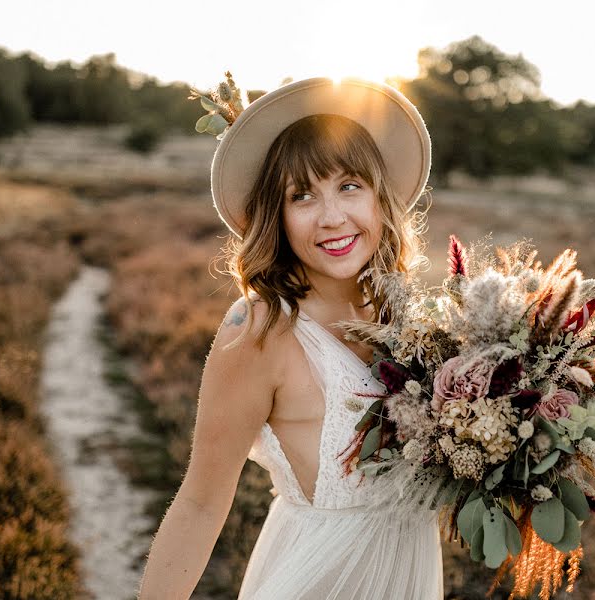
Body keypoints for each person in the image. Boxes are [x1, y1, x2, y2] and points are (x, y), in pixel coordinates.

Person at [137, 77, 443, 599]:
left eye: (350, 186)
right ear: (276, 216)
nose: (331, 217)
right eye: (302, 196)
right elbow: (201, 502)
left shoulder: (412, 316)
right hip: (313, 580)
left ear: (379, 197)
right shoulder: (260, 330)